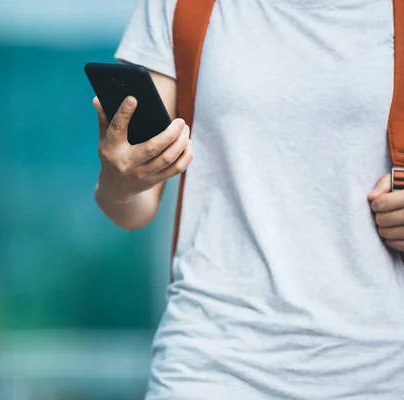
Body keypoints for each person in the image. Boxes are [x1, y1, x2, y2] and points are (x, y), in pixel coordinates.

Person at [92, 0, 404, 398]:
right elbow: (131, 208)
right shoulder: (181, 6)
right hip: (212, 362)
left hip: (381, 370)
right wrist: (121, 178)